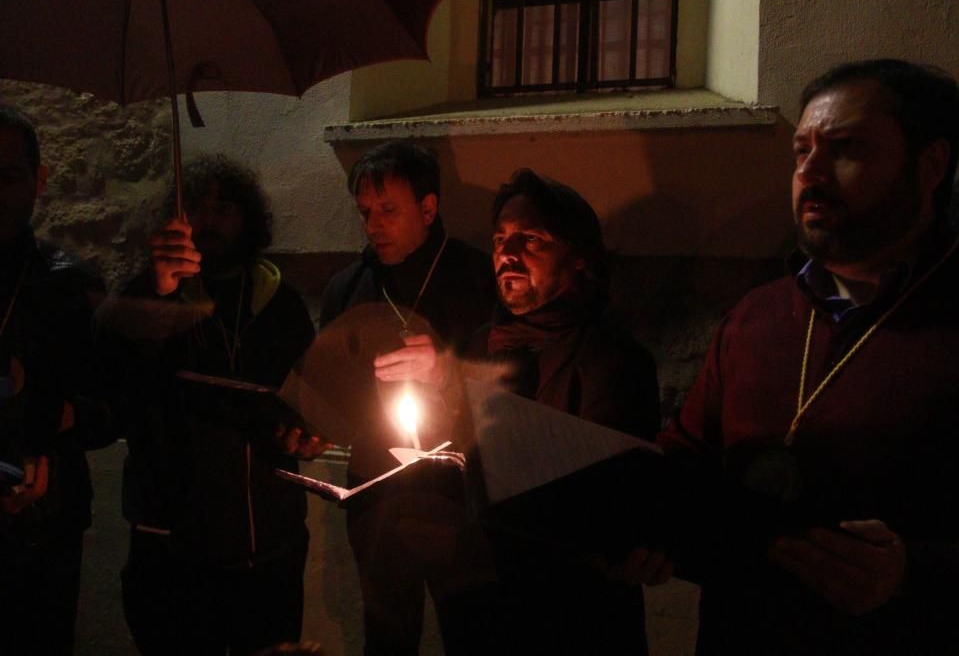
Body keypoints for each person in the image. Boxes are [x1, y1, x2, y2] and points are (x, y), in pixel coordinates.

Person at [651, 59, 959, 653]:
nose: (809, 172)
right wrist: (642, 518)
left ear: (931, 164)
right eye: (801, 150)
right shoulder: (756, 316)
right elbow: (687, 455)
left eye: (845, 149)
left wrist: (915, 572)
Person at [108, 154, 322, 655]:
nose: (209, 220)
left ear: (247, 218)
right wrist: (157, 293)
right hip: (170, 551)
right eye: (197, 208)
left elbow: (311, 403)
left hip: (266, 547)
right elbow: (112, 374)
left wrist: (307, 433)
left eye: (224, 208)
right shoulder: (148, 291)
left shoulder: (281, 303)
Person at [462, 168, 662, 653]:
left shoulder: (613, 358)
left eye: (530, 239)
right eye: (500, 239)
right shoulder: (476, 348)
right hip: (489, 604)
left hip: (581, 616)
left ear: (578, 259)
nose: (507, 254)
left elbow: (620, 499)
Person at [319, 140, 496, 655]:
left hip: (460, 500)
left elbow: (510, 387)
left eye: (389, 210)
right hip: (376, 498)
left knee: (473, 631)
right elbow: (328, 389)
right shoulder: (346, 289)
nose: (374, 224)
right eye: (366, 213)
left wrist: (446, 372)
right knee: (387, 636)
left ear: (428, 207)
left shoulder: (478, 278)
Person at [0, 105, 114, 655]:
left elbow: (111, 407)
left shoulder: (69, 285)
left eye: (8, 176)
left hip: (46, 527)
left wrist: (66, 417)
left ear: (38, 181)